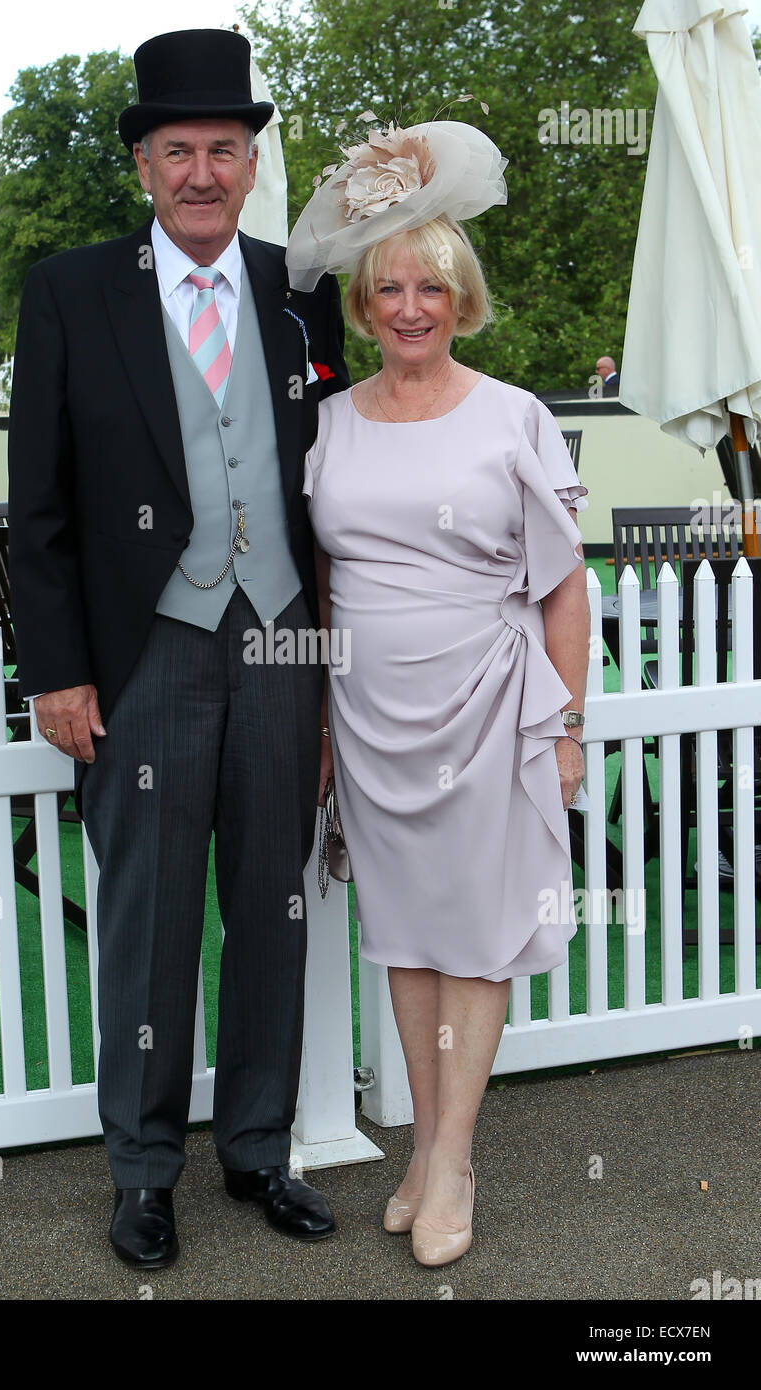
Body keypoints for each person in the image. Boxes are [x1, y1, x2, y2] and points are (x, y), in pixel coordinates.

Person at [7, 28, 349, 1269]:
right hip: (143, 652)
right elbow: (35, 504)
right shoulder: (68, 291)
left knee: (273, 902)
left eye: (223, 147)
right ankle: (143, 1172)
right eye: (176, 150)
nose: (201, 170)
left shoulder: (301, 291)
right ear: (143, 165)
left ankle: (258, 1149)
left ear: (250, 162)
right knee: (149, 919)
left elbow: (333, 490)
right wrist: (54, 670)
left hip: (279, 644)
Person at [288, 120, 590, 1266]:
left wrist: (563, 725)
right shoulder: (326, 424)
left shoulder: (513, 413)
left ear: (461, 299)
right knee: (406, 939)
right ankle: (420, 1147)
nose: (410, 307)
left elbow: (565, 589)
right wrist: (319, 722)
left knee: (474, 943)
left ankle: (453, 1154)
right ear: (362, 306)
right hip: (368, 723)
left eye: (432, 287)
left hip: (485, 705)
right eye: (389, 289)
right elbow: (320, 588)